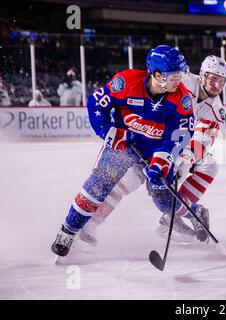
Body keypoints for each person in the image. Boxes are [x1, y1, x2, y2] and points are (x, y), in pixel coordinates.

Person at [51, 45, 194, 257]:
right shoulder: (126, 82)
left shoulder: (181, 99)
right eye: (174, 76)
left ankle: (192, 212)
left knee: (162, 196)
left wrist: (162, 160)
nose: (179, 80)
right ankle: (68, 230)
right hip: (123, 145)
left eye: (180, 75)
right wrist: (109, 131)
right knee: (99, 185)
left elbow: (180, 134)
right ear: (156, 74)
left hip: (156, 150)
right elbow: (95, 104)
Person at [79, 55, 226, 245]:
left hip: (172, 145)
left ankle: (172, 218)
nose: (216, 85)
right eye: (212, 79)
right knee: (128, 180)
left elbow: (203, 137)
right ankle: (91, 223)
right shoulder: (181, 79)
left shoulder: (216, 110)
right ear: (202, 75)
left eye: (221, 81)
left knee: (209, 165)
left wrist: (186, 157)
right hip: (146, 134)